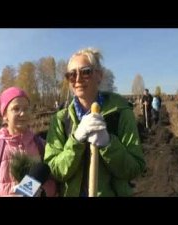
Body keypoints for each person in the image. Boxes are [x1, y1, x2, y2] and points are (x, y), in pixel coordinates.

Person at [44, 47, 145, 197]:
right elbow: (55, 170)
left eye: (85, 72)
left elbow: (134, 168)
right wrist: (76, 141)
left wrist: (109, 144)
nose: (77, 79)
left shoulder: (121, 113)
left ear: (99, 75)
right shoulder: (60, 119)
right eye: (71, 74)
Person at [0, 87, 57, 197]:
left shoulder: (41, 145)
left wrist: (42, 192)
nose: (22, 113)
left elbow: (53, 179)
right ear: (5, 115)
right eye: (16, 109)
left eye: (26, 108)